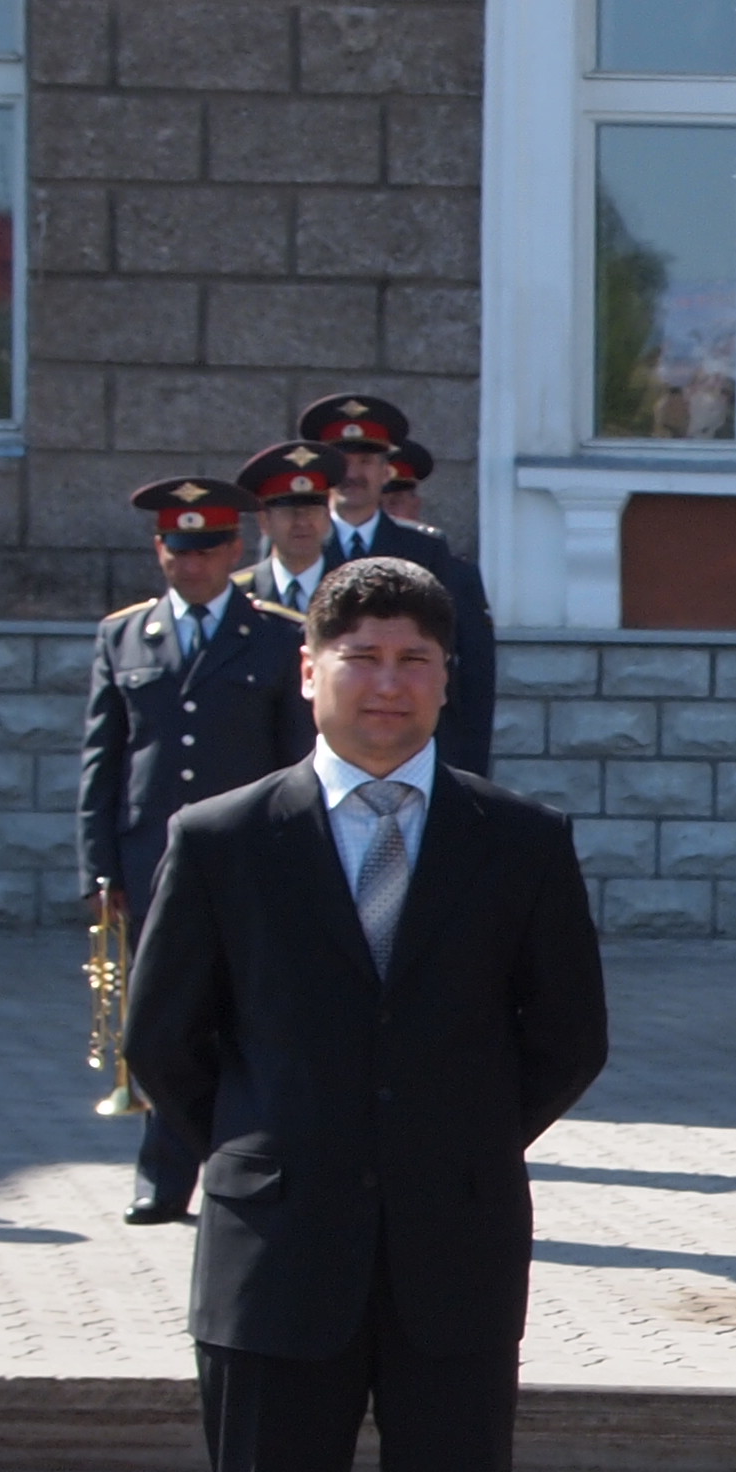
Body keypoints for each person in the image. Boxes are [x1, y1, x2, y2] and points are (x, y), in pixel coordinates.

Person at [123, 555, 612, 1472]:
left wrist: (451, 1147)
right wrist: (276, 1147)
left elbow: (565, 1037)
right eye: (363, 659)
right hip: (282, 1254)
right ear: (311, 673)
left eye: (414, 661)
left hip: (453, 1251)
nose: (388, 685)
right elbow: (167, 1041)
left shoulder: (518, 841)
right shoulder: (225, 839)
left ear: (445, 679)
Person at [81, 477, 312, 1225]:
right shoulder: (124, 634)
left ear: (234, 549)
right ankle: (162, 1173)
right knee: (161, 1019)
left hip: (247, 856)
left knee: (250, 1013)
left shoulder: (277, 634)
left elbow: (296, 760)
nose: (193, 563)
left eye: (208, 547)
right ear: (160, 550)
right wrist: (99, 866)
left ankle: (246, 1164)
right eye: (179, 548)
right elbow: (103, 761)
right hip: (152, 857)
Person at [299, 396, 499, 777]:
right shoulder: (299, 547)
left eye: (366, 462)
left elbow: (466, 671)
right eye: (342, 462)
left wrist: (467, 768)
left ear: (386, 471)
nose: (352, 474)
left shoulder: (425, 550)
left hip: (409, 757)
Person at [232, 441, 340, 620]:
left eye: (312, 511)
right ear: (264, 521)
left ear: (328, 516)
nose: (302, 522)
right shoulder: (237, 594)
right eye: (289, 512)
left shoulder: (355, 590)